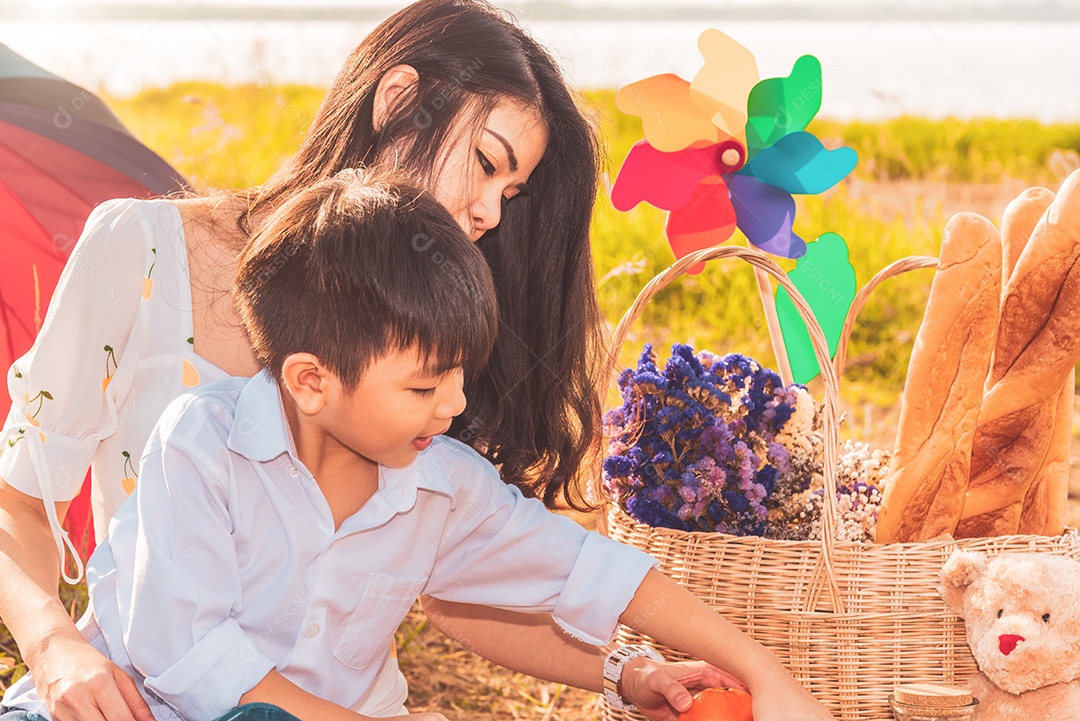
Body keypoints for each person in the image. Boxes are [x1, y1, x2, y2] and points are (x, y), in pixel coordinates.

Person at [0, 1, 833, 719]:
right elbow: (18, 502)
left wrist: (630, 669)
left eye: (511, 196)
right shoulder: (141, 254)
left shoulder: (430, 346)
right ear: (397, 100)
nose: (487, 212)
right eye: (485, 163)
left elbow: (455, 566)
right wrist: (54, 645)